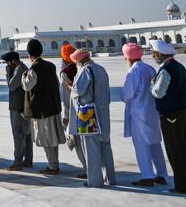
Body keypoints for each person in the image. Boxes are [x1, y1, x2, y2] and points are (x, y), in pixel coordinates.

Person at [150, 39, 186, 194]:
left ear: (160, 54)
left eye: (154, 53)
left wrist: (152, 84)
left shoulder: (166, 69)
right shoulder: (180, 66)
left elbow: (159, 93)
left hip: (171, 114)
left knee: (176, 149)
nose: (153, 56)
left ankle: (182, 185)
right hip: (185, 111)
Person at [120, 42, 167, 187]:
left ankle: (147, 176)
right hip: (152, 112)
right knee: (155, 144)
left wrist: (123, 96)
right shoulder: (149, 68)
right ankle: (162, 174)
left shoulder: (133, 71)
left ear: (129, 58)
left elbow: (127, 94)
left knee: (142, 145)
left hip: (139, 113)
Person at [69, 48, 116, 188]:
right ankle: (111, 177)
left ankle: (95, 180)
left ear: (79, 61)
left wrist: (71, 87)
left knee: (91, 147)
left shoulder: (84, 71)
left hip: (88, 113)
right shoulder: (101, 69)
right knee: (105, 144)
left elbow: (78, 91)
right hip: (103, 111)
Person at [22, 39, 65, 174]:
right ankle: (54, 164)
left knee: (46, 138)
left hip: (41, 110)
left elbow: (27, 86)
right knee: (53, 139)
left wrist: (23, 77)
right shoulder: (51, 66)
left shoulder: (34, 68)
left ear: (30, 55)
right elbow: (56, 84)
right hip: (53, 107)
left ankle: (53, 166)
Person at [59, 44, 87, 178]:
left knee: (77, 142)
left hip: (73, 112)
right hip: (88, 110)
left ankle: (87, 168)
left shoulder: (65, 73)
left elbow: (65, 97)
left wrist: (65, 116)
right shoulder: (82, 68)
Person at [3, 51, 32, 171]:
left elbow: (11, 85)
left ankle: (18, 162)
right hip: (21, 106)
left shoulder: (19, 69)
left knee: (18, 134)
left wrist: (8, 73)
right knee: (26, 133)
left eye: (7, 62)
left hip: (18, 107)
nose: (7, 65)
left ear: (12, 61)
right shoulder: (22, 67)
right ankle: (28, 160)